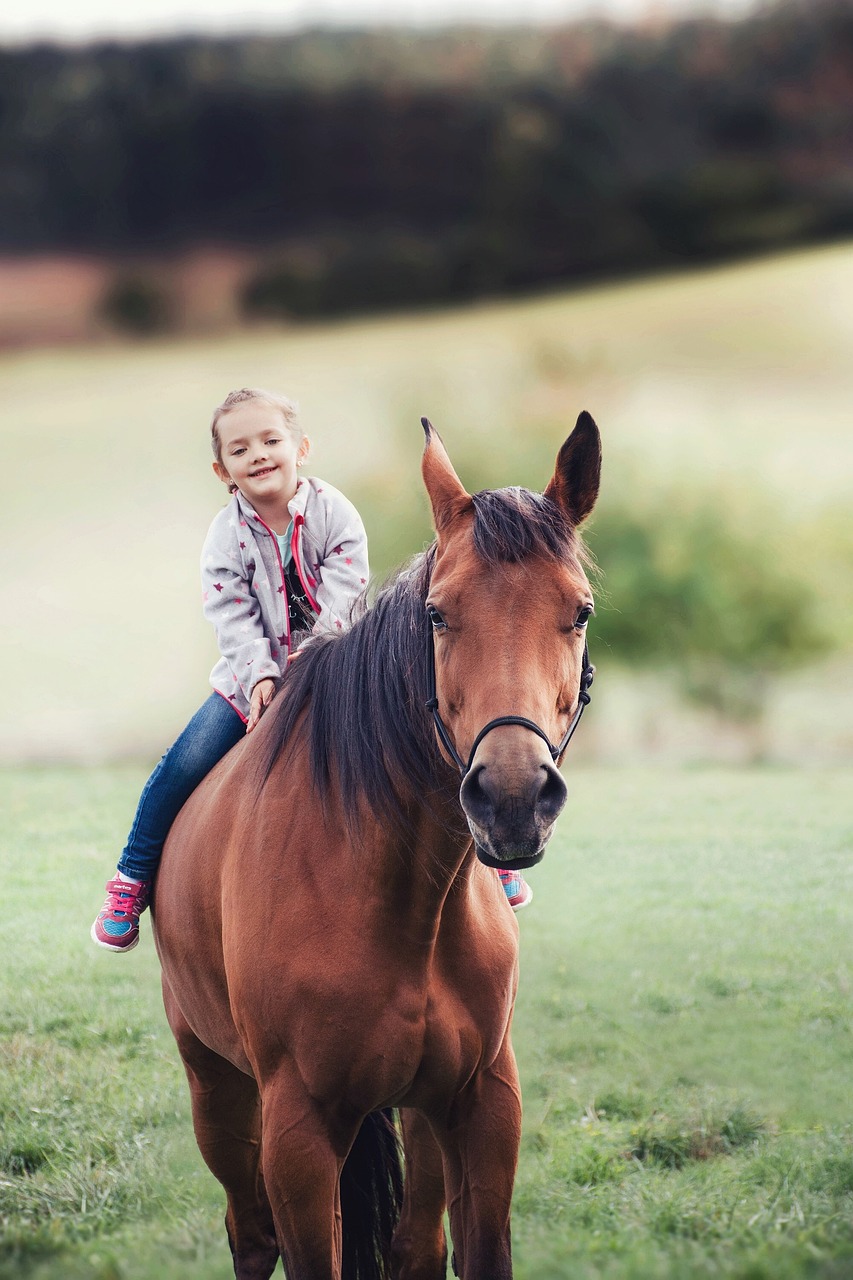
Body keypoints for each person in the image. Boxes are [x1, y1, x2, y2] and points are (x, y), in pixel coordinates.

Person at [91, 386, 530, 952]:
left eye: (271, 440)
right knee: (182, 764)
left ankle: (492, 864)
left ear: (302, 448)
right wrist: (260, 675)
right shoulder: (225, 537)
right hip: (251, 684)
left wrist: (316, 655)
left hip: (340, 674)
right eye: (240, 449)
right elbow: (230, 610)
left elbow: (345, 590)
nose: (258, 455)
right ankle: (131, 879)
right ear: (223, 470)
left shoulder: (335, 514)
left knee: (426, 745)